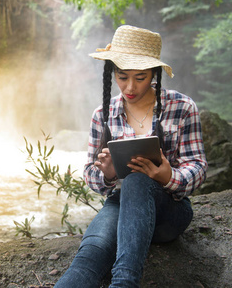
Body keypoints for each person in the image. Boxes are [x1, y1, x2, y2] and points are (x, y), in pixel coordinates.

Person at [54, 25, 208, 287]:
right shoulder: (102, 114)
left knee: (138, 180)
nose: (130, 87)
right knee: (89, 257)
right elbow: (90, 174)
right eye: (122, 77)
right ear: (113, 72)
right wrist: (108, 173)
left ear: (154, 74)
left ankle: (125, 282)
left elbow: (199, 165)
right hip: (119, 203)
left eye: (140, 77)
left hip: (168, 210)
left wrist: (169, 176)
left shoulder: (182, 107)